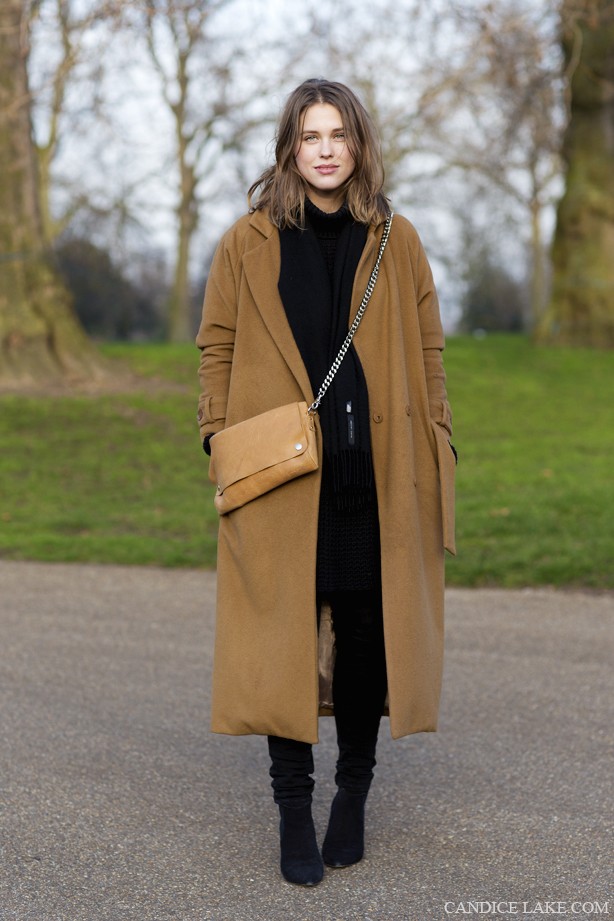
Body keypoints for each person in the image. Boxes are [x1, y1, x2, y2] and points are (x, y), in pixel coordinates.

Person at [195, 78, 456, 887]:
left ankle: (353, 793)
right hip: (281, 480)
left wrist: (440, 440)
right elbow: (216, 347)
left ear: (358, 144)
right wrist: (216, 438)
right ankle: (291, 807)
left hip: (375, 476)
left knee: (367, 640)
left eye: (338, 134)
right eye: (311, 136)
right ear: (291, 148)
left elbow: (430, 352)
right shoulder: (247, 242)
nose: (326, 150)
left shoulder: (396, 240)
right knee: (284, 642)